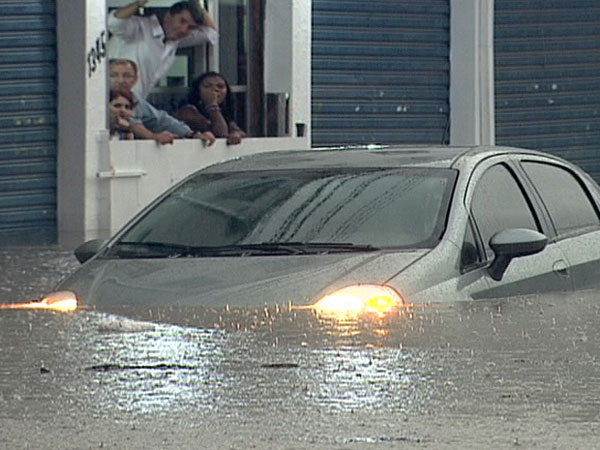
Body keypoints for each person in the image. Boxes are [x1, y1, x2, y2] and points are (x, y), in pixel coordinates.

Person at [108, 0, 217, 99]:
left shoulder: (175, 41)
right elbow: (113, 22)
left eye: (191, 27)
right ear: (168, 16)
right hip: (110, 100)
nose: (184, 29)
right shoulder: (140, 27)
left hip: (135, 104)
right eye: (182, 21)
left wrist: (197, 5)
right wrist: (139, 3)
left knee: (169, 121)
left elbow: (212, 34)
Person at [109, 59, 215, 145]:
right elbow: (132, 122)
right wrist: (153, 137)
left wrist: (191, 134)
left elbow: (161, 120)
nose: (120, 80)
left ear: (135, 79)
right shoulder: (97, 99)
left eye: (127, 76)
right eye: (113, 75)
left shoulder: (137, 101)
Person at [176, 72, 246, 145]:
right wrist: (212, 106)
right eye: (207, 86)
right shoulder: (187, 111)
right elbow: (221, 134)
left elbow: (236, 129)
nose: (215, 89)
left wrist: (236, 133)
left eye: (220, 86)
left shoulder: (224, 112)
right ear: (197, 91)